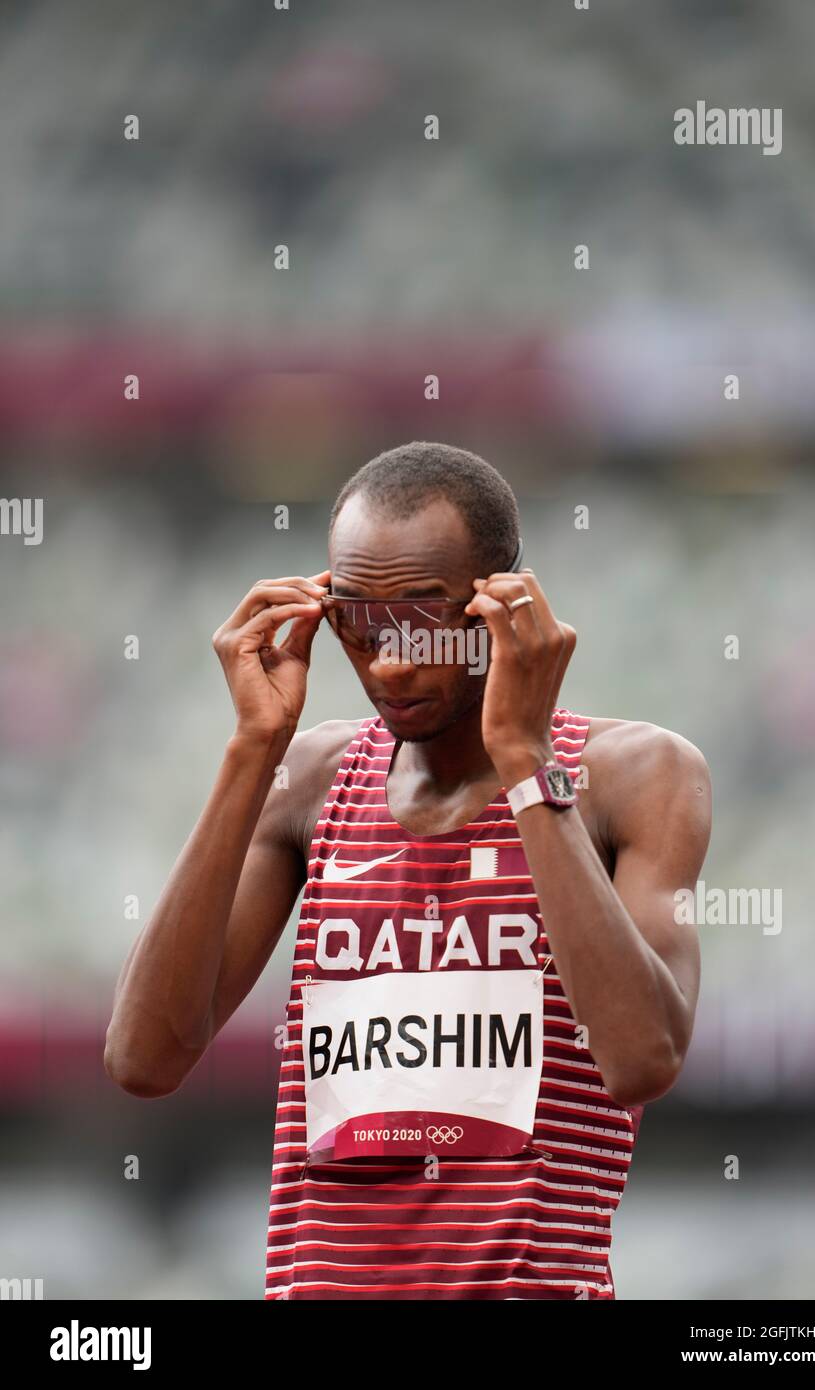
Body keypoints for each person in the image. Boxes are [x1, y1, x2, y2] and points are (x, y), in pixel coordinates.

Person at [105, 440, 711, 1300]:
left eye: (424, 619)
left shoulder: (633, 772)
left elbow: (641, 1057)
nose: (388, 661)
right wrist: (252, 751)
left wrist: (523, 757)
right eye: (357, 621)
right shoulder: (309, 781)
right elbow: (144, 1058)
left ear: (504, 605)